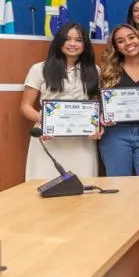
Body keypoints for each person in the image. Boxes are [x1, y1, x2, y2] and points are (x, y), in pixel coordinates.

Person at [20, 22, 102, 180]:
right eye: (67, 39)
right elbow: (25, 107)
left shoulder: (94, 70)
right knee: (43, 188)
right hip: (48, 138)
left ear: (85, 44)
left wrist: (96, 126)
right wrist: (45, 122)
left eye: (78, 40)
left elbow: (94, 106)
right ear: (59, 42)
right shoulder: (39, 69)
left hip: (81, 142)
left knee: (82, 190)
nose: (72, 44)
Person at [99, 24, 139, 176]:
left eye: (131, 37)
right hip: (115, 134)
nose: (128, 43)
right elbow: (100, 106)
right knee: (120, 187)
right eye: (120, 41)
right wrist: (102, 117)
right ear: (116, 47)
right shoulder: (108, 72)